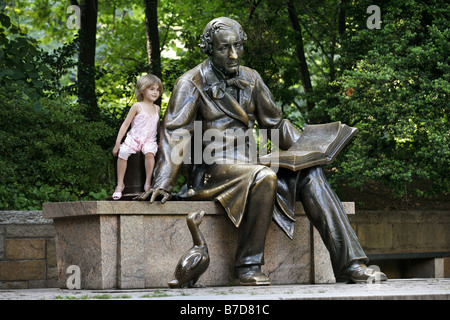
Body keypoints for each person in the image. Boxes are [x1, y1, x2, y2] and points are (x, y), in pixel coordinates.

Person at [138, 17, 386, 285]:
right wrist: (163, 181)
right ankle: (247, 265)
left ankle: (350, 264)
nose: (234, 55)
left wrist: (310, 148)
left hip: (248, 165)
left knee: (310, 172)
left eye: (238, 47)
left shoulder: (251, 78)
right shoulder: (191, 83)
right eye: (224, 48)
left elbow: (275, 124)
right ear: (208, 47)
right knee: (264, 177)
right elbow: (175, 133)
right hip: (212, 169)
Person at [112, 74, 162, 200]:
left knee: (150, 153)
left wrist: (162, 142)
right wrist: (118, 143)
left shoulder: (157, 108)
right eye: (152, 89)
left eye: (157, 89)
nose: (155, 92)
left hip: (149, 139)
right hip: (134, 138)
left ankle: (148, 183)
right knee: (123, 152)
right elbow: (125, 124)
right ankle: (119, 185)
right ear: (142, 90)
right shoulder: (137, 106)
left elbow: (158, 127)